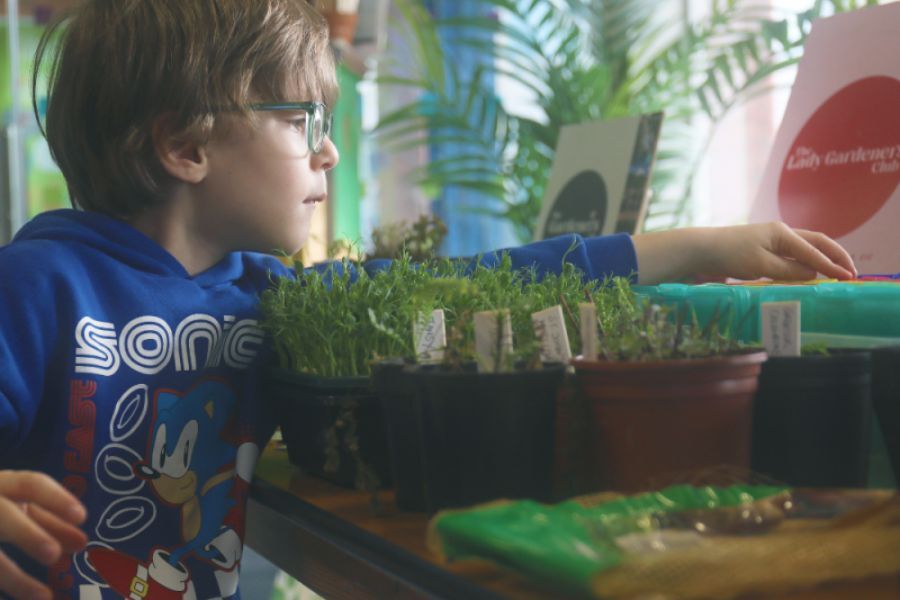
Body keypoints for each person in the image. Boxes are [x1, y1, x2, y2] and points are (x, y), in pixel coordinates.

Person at [0, 1, 856, 599]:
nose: (328, 155)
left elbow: (485, 278)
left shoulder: (269, 303)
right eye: (304, 120)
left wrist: (700, 246)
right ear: (185, 143)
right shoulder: (40, 286)